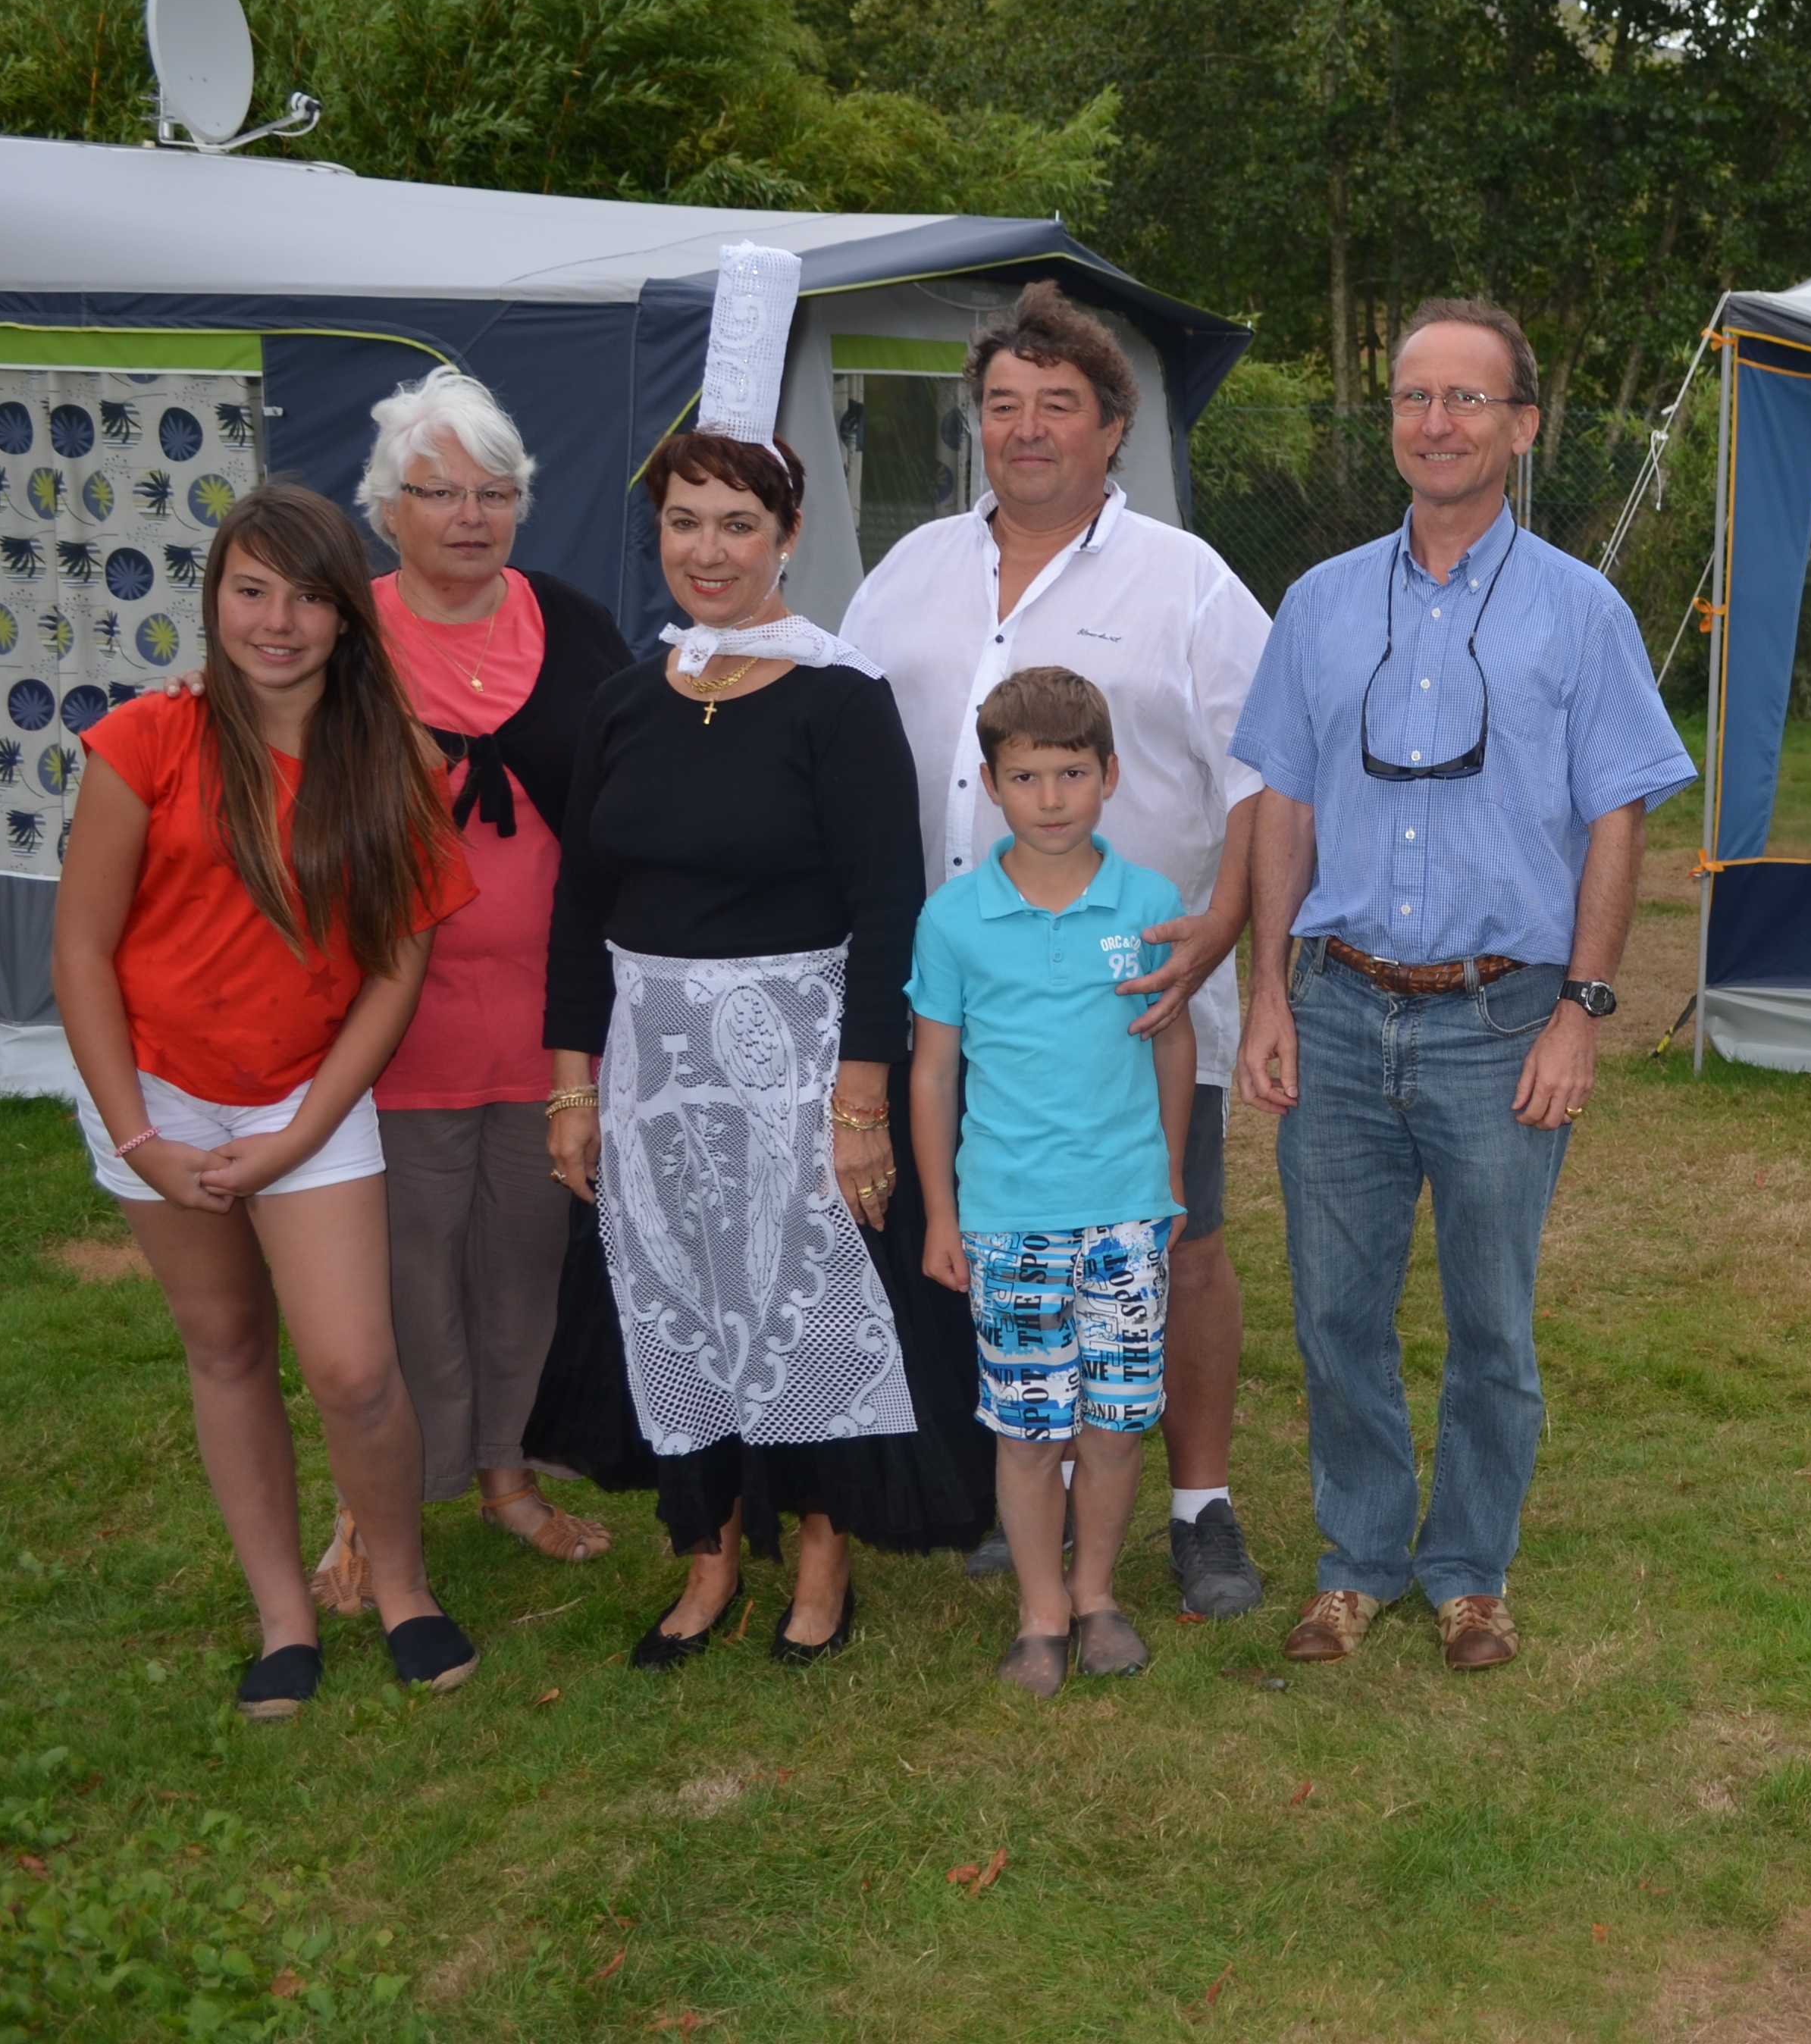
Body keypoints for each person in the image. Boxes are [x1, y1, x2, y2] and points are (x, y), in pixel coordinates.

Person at [1229, 296, 1693, 1673]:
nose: (1437, 422)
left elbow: (1620, 816)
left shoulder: (1580, 610)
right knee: (1333, 1312)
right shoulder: (1318, 602)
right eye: (1414, 398)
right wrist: (1268, 993)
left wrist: (1581, 1009)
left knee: (1493, 1321)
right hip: (1341, 1002)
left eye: (1468, 399)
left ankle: (1470, 1572)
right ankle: (1359, 1561)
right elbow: (1285, 808)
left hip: (1504, 1021)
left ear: (1523, 427)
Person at [531, 404, 993, 1668]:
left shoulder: (841, 702)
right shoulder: (627, 702)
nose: (709, 550)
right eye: (684, 522)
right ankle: (708, 1552)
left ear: (789, 537)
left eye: (739, 524)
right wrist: (571, 1088)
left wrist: (858, 1112)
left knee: (804, 1309)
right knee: (679, 1305)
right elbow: (581, 908)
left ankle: (824, 1556)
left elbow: (886, 907)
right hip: (653, 1075)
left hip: (799, 1069)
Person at [841, 283, 1275, 1618]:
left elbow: (1269, 772)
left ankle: (1196, 1507)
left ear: (1112, 429)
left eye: (1058, 408)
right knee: (999, 1237)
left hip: (1133, 993)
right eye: (1004, 406)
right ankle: (1020, 1476)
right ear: (978, 424)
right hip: (966, 1000)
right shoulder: (907, 573)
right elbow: (848, 758)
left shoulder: (1187, 581)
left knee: (1175, 1244)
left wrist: (1219, 932)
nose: (1026, 432)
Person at [52, 482, 484, 1720]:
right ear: (214, 599)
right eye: (251, 591)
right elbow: (80, 953)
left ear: (349, 617)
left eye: (307, 597)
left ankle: (398, 1586)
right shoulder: (142, 743)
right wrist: (140, 1135)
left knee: (352, 1367)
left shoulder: (395, 759)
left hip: (307, 1093)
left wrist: (300, 1132)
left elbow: (399, 966)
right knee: (228, 1346)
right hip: (155, 1097)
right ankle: (283, 1616)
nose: (278, 621)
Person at [302, 370, 635, 1614]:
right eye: (440, 492)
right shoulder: (338, 635)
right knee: (398, 1279)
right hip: (390, 1031)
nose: (470, 516)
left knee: (524, 1265)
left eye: (496, 493)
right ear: (388, 506)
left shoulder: (575, 622)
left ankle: (508, 1477)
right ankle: (377, 1507)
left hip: (552, 1028)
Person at [911, 667, 1196, 1693]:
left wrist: (1163, 1178)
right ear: (991, 785)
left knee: (1118, 1419)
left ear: (1110, 775)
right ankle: (1039, 1611)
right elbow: (935, 1070)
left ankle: (1097, 1595)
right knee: (1032, 1426)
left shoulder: (1151, 905)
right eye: (1026, 776)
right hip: (1008, 1220)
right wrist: (943, 1213)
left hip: (1123, 1214)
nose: (1051, 798)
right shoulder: (953, 921)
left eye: (1072, 772)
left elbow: (1172, 1047)